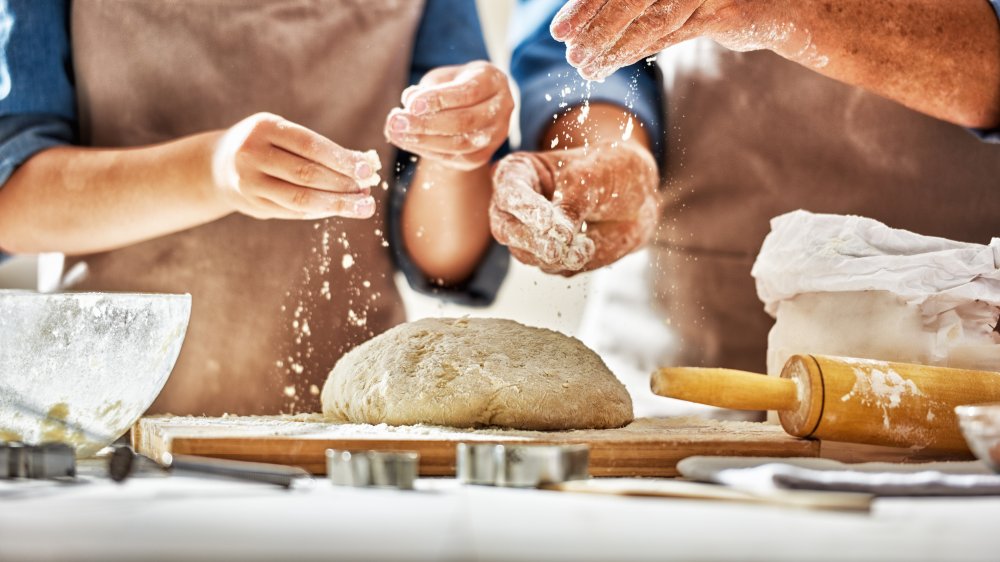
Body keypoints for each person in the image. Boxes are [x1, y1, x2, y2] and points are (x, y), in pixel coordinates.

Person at [0, 0, 513, 415]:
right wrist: (211, 171)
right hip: (112, 427)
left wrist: (456, 146)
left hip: (345, 442)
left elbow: (447, 261)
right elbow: (14, 204)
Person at [498, 0, 1000, 374]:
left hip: (965, 354)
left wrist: (795, 10)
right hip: (680, 368)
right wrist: (614, 152)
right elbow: (575, 35)